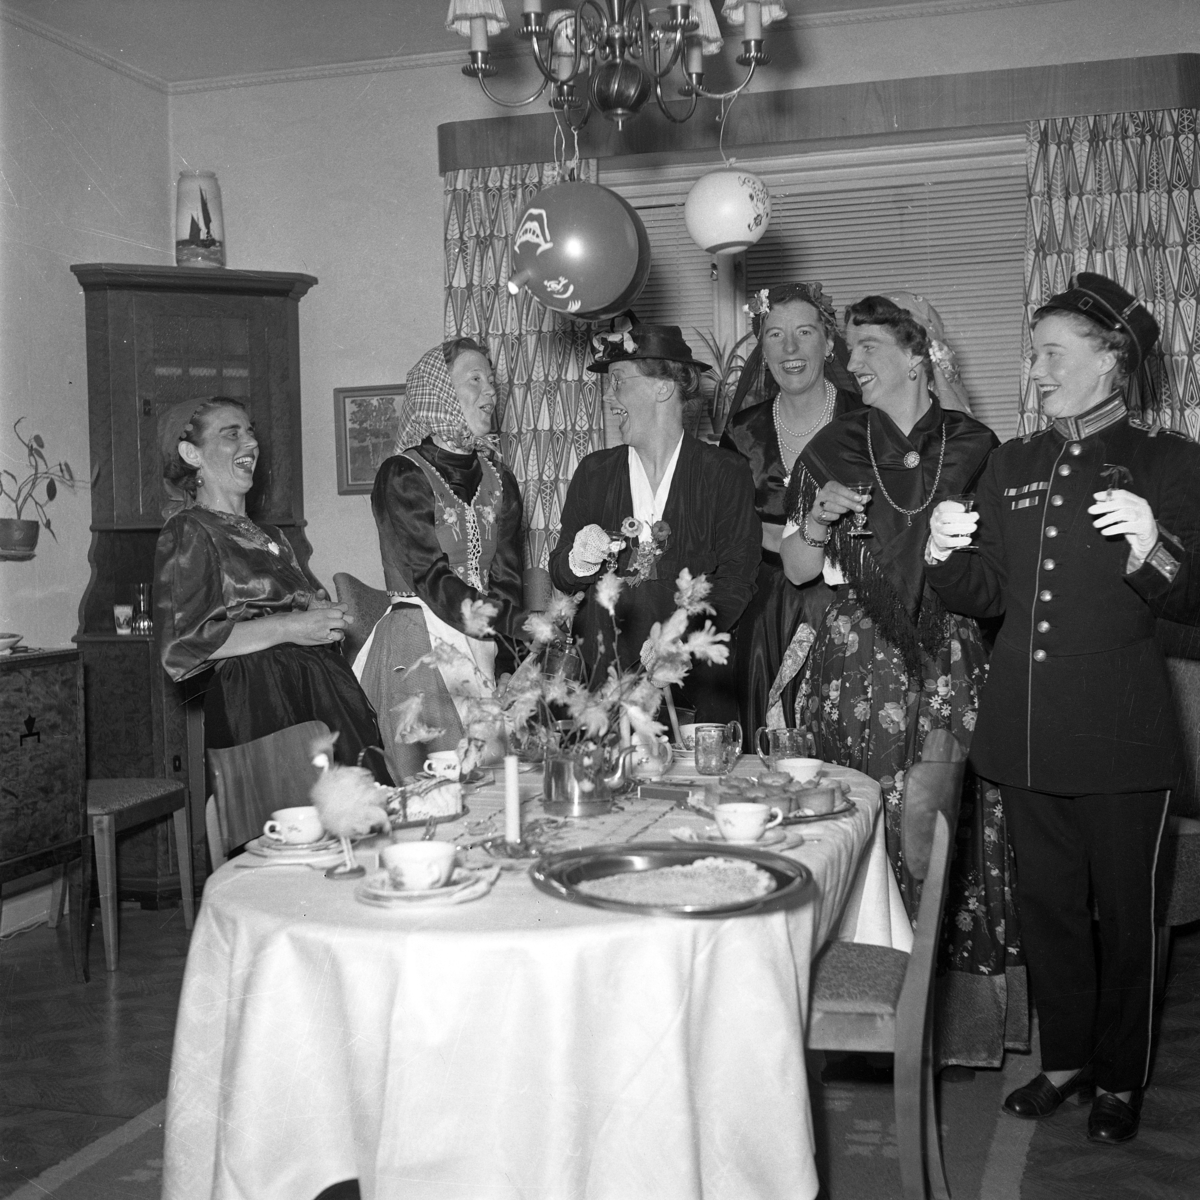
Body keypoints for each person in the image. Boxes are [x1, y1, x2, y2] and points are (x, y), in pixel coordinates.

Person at [925, 273, 1200, 1142]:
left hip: (1121, 740)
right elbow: (988, 594)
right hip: (1026, 733)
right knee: (1048, 912)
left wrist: (1154, 547)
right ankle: (1067, 1060)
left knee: (1128, 920)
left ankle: (1120, 1077)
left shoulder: (1171, 462)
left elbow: (1192, 598)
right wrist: (943, 556)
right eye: (1033, 354)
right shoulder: (1011, 463)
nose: (1034, 370)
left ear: (1110, 360)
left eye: (1052, 354)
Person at [779, 293, 1026, 1069]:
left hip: (947, 666)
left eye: (869, 347)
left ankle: (953, 1027)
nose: (851, 362)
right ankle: (855, 1025)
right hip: (852, 671)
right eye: (848, 348)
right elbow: (796, 568)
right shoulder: (830, 447)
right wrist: (817, 522)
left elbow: (998, 574)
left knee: (940, 831)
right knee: (856, 831)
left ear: (918, 355)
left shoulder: (976, 447)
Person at [155, 396, 389, 779]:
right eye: (231, 434)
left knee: (359, 802)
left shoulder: (273, 536)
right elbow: (183, 643)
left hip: (318, 691)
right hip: (258, 702)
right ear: (192, 454)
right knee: (288, 809)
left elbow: (289, 616)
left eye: (250, 432)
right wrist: (291, 626)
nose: (250, 442)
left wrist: (316, 615)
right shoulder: (189, 530)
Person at [548, 323, 760, 723]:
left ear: (663, 388)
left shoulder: (724, 472)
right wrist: (577, 560)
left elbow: (737, 581)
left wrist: (680, 637)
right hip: (603, 689)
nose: (608, 396)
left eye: (618, 381)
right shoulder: (594, 473)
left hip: (693, 686)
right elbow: (560, 573)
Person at [355, 338, 524, 781]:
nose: (490, 392)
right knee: (439, 783)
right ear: (440, 391)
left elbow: (507, 576)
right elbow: (430, 576)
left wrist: (508, 656)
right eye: (475, 379)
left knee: (496, 781)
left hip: (484, 640)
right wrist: (512, 624)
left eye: (492, 381)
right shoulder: (402, 474)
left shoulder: (500, 478)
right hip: (418, 642)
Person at [719, 282, 861, 742]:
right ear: (762, 350)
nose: (791, 348)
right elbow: (727, 527)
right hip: (765, 614)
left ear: (829, 342)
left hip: (849, 606)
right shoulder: (741, 432)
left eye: (804, 332)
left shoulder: (865, 421)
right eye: (775, 335)